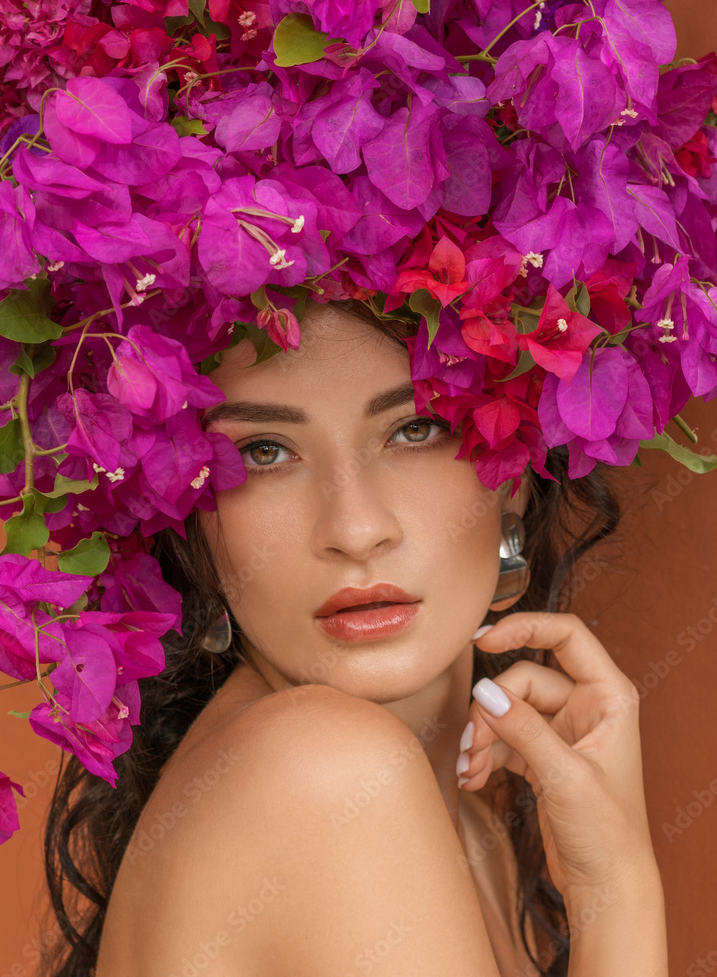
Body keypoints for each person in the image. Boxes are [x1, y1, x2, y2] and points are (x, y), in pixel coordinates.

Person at [42, 299, 668, 977]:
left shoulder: (474, 828)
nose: (356, 528)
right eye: (264, 452)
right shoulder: (327, 774)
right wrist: (621, 889)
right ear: (189, 519)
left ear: (511, 475)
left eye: (417, 428)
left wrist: (609, 882)